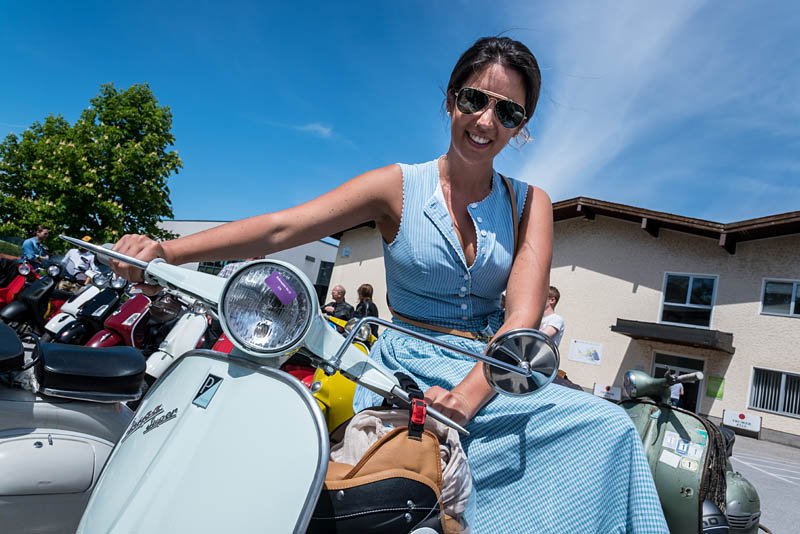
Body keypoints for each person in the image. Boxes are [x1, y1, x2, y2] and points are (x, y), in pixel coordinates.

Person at [107, 36, 667, 532]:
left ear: (520, 127)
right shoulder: (396, 187)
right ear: (451, 99)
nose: (486, 121)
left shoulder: (529, 204)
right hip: (404, 363)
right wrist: (166, 250)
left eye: (509, 112)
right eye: (475, 99)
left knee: (611, 427)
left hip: (491, 371)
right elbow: (283, 227)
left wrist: (465, 400)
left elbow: (522, 319)